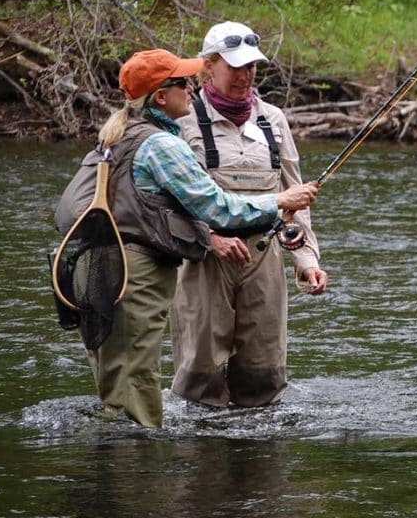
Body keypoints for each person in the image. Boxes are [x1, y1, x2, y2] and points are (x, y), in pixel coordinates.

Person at [57, 48, 319, 428]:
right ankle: (135, 473)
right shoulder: (161, 145)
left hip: (101, 268)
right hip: (134, 275)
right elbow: (219, 208)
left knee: (119, 385)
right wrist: (281, 200)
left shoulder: (117, 135)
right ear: (160, 96)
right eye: (183, 82)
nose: (192, 88)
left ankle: (117, 471)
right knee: (136, 393)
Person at [170, 21, 328, 409]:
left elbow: (294, 197)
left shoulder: (273, 119)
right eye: (235, 66)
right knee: (199, 380)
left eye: (252, 66)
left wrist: (306, 261)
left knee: (264, 377)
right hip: (204, 258)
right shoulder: (180, 121)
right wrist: (210, 239)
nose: (246, 76)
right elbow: (167, 202)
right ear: (208, 66)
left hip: (265, 256)